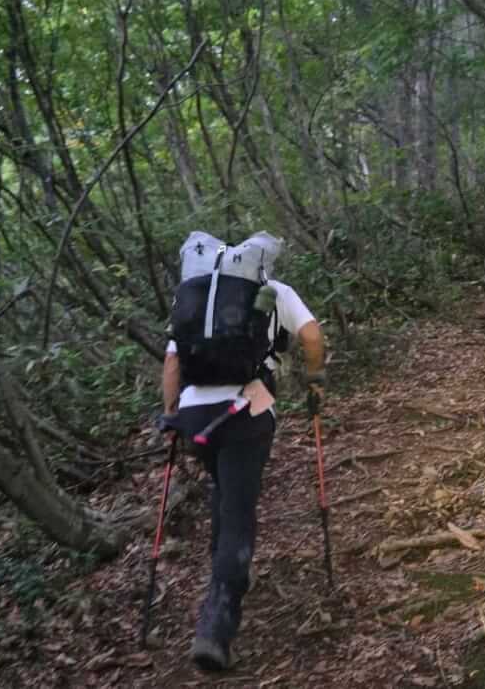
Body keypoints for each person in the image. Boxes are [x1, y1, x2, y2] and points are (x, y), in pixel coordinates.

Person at [159, 235, 326, 672]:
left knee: (224, 491)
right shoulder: (273, 292)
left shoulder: (195, 296)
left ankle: (226, 572)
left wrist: (171, 414)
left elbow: (172, 364)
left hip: (196, 415)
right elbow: (312, 336)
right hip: (246, 414)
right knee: (238, 512)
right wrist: (315, 379)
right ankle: (216, 626)